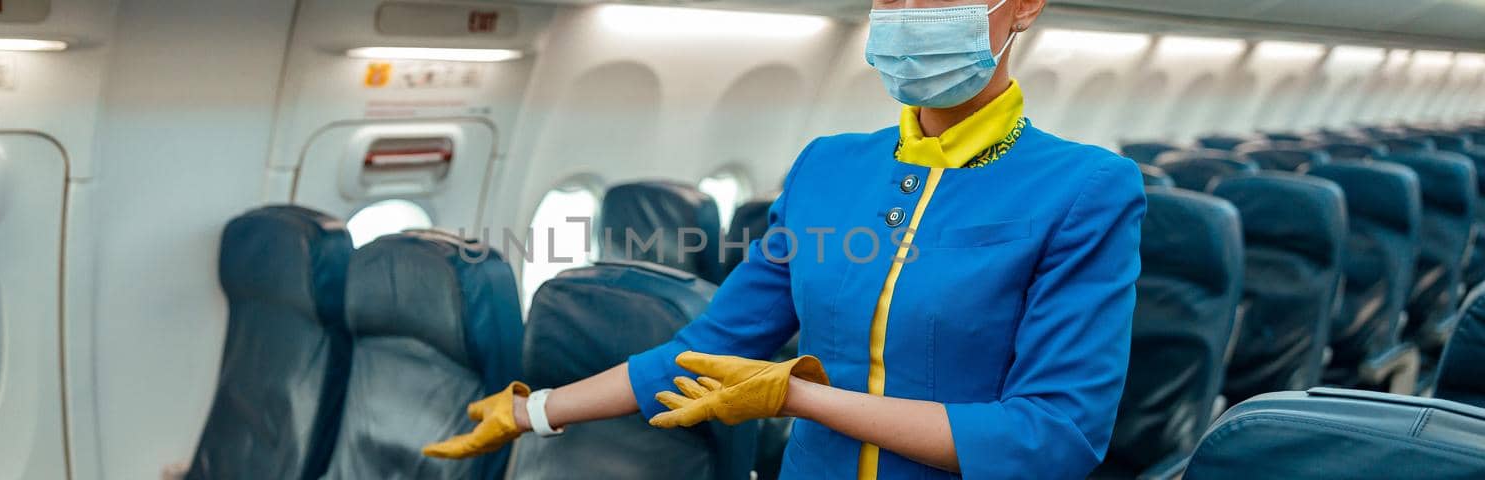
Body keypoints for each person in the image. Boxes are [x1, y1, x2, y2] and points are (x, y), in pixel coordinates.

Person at [424, 0, 1145, 478]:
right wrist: (532, 411)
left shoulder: (1085, 188)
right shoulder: (827, 167)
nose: (906, 14)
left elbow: (1053, 438)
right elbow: (705, 349)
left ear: (1023, 5)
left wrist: (799, 399)